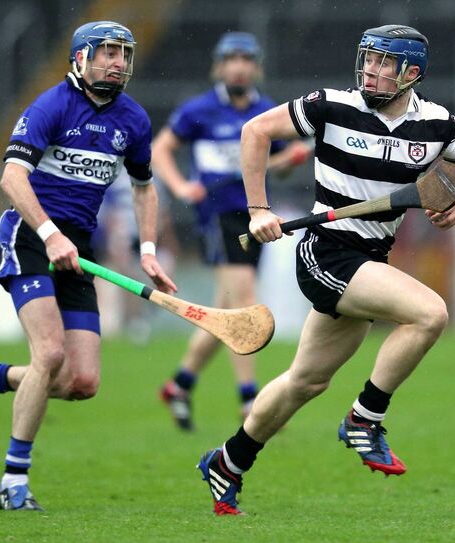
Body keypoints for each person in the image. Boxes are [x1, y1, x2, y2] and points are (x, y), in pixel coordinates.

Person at [197, 24, 455, 515]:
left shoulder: (437, 124)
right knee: (429, 313)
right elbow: (256, 131)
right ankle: (365, 419)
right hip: (328, 254)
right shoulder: (331, 105)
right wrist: (258, 209)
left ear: (412, 73)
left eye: (384, 64)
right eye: (368, 60)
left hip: (371, 260)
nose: (370, 72)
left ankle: (228, 461)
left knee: (306, 382)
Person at [0, 21, 176, 511]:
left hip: (78, 249)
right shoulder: (51, 105)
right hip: (29, 237)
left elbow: (143, 186)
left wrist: (147, 249)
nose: (118, 62)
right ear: (80, 58)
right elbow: (11, 177)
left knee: (81, 382)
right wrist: (49, 234)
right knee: (48, 356)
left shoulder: (132, 120)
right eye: (108, 52)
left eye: (124, 54)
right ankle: (13, 484)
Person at [153, 32, 311, 431]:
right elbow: (161, 149)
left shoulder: (266, 110)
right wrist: (179, 186)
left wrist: (289, 160)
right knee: (244, 306)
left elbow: (274, 164)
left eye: (246, 59)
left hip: (257, 218)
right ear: (219, 66)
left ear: (256, 66)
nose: (239, 66)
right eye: (231, 59)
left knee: (225, 311)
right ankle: (249, 402)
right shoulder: (199, 110)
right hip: (218, 217)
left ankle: (179, 384)